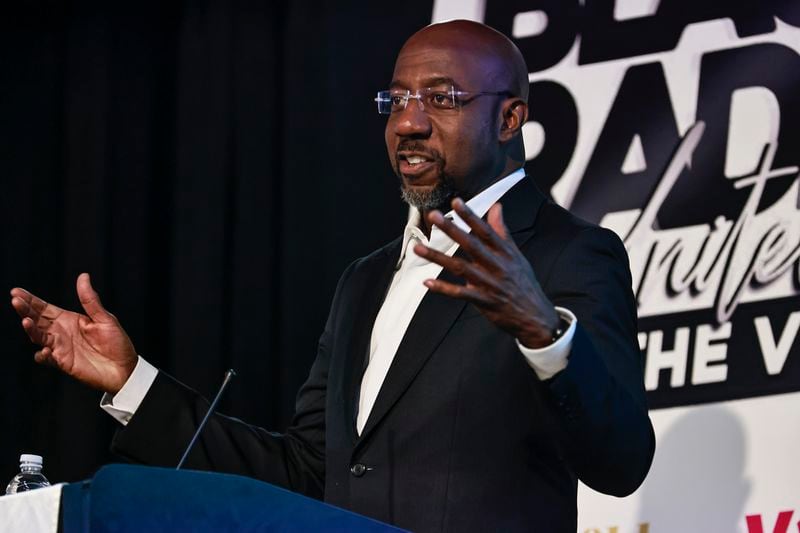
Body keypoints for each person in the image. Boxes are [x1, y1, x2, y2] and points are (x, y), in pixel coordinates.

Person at [10, 20, 654, 532]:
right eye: (396, 99)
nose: (408, 122)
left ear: (510, 119)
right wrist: (134, 383)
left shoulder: (571, 254)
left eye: (442, 98)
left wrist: (545, 333)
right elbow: (308, 472)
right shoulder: (365, 280)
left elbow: (622, 461)